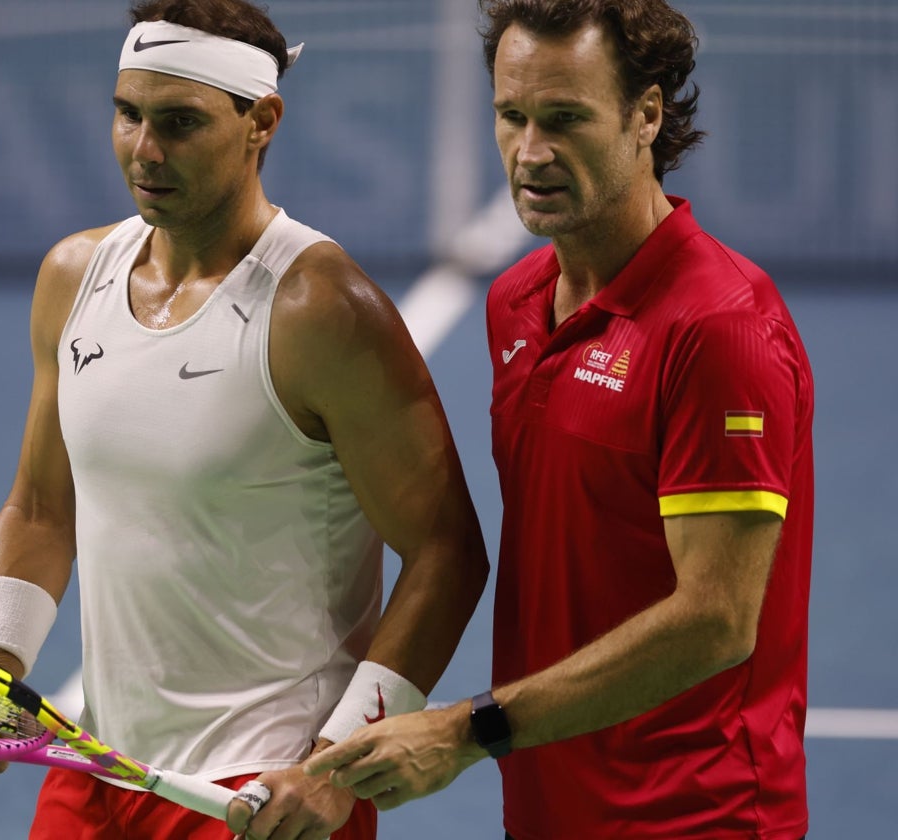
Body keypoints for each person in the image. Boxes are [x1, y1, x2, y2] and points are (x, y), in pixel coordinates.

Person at [0, 1, 491, 839]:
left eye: (180, 122)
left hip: (264, 795)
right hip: (98, 769)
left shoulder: (323, 310)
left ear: (261, 122)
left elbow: (447, 551)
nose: (145, 149)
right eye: (128, 114)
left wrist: (337, 764)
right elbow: (39, 507)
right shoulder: (73, 276)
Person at [307, 1, 815, 838]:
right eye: (513, 116)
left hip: (695, 814)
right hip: (551, 801)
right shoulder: (516, 303)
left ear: (647, 114)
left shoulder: (720, 328)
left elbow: (717, 619)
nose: (531, 152)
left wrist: (465, 731)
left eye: (566, 119)